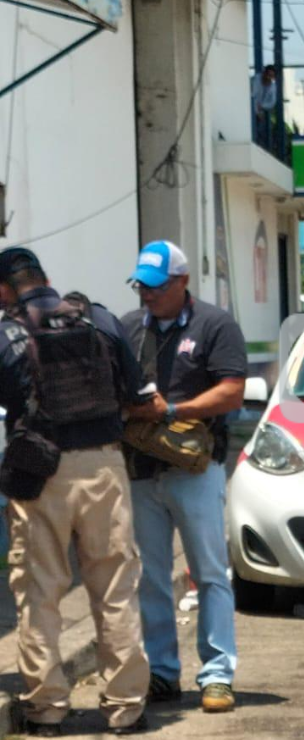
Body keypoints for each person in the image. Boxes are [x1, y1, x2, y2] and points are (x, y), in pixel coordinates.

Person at [0, 247, 152, 736]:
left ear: (5, 289)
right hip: (104, 467)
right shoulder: (100, 319)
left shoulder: (6, 333)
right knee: (115, 589)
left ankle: (46, 709)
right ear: (44, 277)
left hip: (38, 473)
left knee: (39, 592)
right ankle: (125, 707)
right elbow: (137, 393)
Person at [121, 241, 247, 711]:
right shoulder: (131, 327)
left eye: (156, 286)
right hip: (141, 471)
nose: (147, 295)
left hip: (196, 471)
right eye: (141, 286)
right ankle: (162, 673)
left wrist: (172, 409)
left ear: (182, 282)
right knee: (151, 576)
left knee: (209, 573)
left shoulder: (215, 325)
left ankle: (217, 675)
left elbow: (232, 392)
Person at [250, 66, 277, 149]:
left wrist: (262, 106)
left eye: (271, 76)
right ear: (264, 73)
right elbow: (252, 96)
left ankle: (263, 147)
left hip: (261, 112)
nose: (269, 78)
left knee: (264, 130)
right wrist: (256, 111)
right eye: (268, 75)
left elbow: (272, 102)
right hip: (251, 111)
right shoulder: (255, 80)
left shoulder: (272, 87)